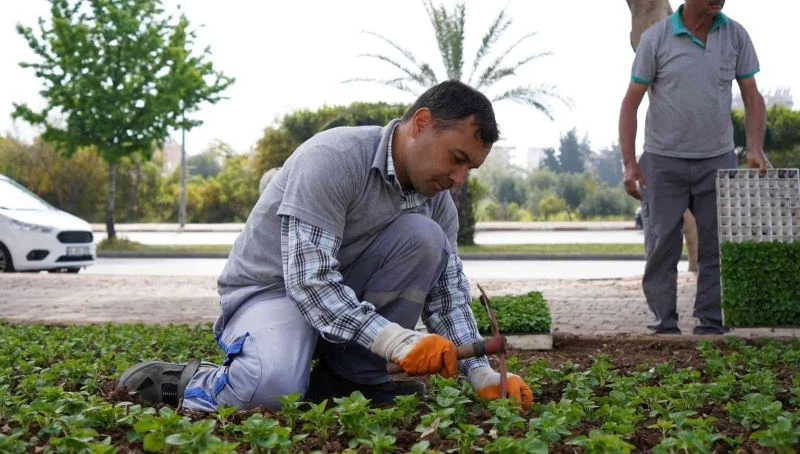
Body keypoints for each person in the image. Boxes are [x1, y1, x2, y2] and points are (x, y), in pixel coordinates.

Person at [117, 80, 533, 411]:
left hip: (343, 303)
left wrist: (481, 373)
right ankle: (192, 380)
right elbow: (310, 284)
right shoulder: (333, 158)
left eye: (470, 168)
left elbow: (448, 298)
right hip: (275, 291)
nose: (459, 179)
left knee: (427, 237)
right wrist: (398, 341)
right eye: (455, 158)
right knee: (272, 389)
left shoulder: (436, 201)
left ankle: (352, 381)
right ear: (421, 123)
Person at [618, 0, 769, 335]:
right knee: (661, 244)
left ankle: (712, 321)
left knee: (716, 244)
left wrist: (755, 147)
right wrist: (630, 162)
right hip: (662, 161)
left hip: (716, 159)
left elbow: (752, 95)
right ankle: (664, 321)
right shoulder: (656, 38)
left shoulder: (735, 35)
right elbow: (631, 101)